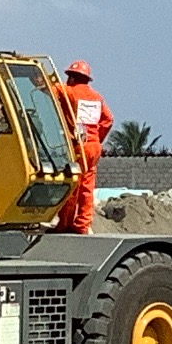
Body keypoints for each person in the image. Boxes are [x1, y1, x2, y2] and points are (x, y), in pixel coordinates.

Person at [55, 58, 111, 235]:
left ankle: (65, 224)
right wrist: (96, 138)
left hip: (79, 146)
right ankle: (82, 225)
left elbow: (47, 90)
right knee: (87, 187)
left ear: (72, 77)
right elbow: (108, 120)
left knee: (72, 185)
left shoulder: (68, 91)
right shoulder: (96, 97)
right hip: (93, 146)